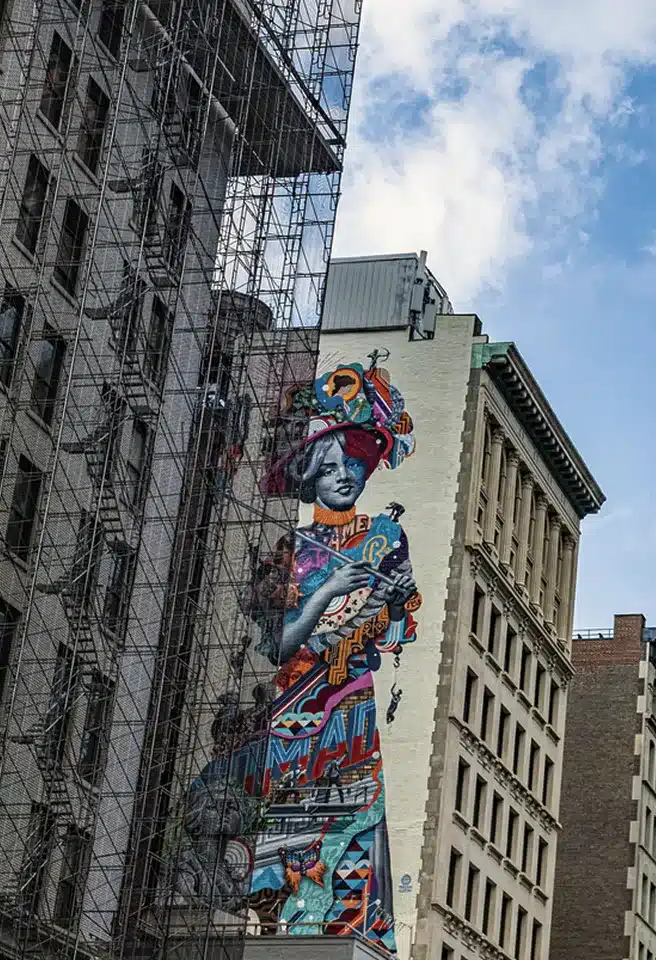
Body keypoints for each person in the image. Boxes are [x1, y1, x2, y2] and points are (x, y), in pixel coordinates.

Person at [238, 360, 418, 951]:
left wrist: (388, 607)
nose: (345, 476)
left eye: (356, 465)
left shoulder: (385, 538)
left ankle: (348, 929)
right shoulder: (289, 550)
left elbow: (396, 630)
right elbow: (278, 646)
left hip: (351, 709)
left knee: (353, 834)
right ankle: (277, 926)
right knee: (284, 848)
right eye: (331, 465)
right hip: (291, 717)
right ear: (310, 472)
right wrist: (325, 593)